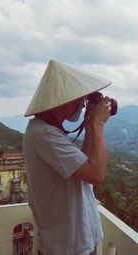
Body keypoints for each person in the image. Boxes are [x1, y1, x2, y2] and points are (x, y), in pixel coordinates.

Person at [23, 59, 112, 255]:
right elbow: (96, 175)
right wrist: (98, 125)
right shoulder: (45, 135)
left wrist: (90, 127)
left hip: (69, 244)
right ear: (64, 100)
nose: (81, 105)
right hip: (68, 247)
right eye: (79, 99)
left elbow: (82, 164)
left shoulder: (44, 131)